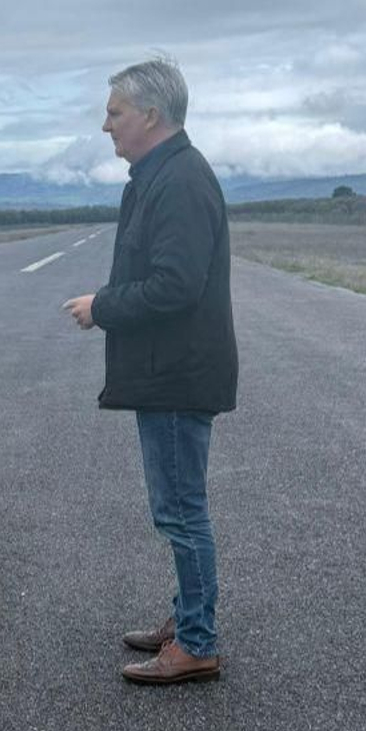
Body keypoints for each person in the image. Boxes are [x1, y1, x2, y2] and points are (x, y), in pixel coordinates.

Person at [62, 57, 238, 685]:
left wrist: (101, 307)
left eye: (114, 113)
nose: (106, 125)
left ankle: (195, 642)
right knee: (179, 507)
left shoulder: (179, 180)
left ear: (150, 115)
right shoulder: (157, 176)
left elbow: (175, 285)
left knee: (181, 511)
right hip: (171, 371)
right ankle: (188, 617)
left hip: (176, 376)